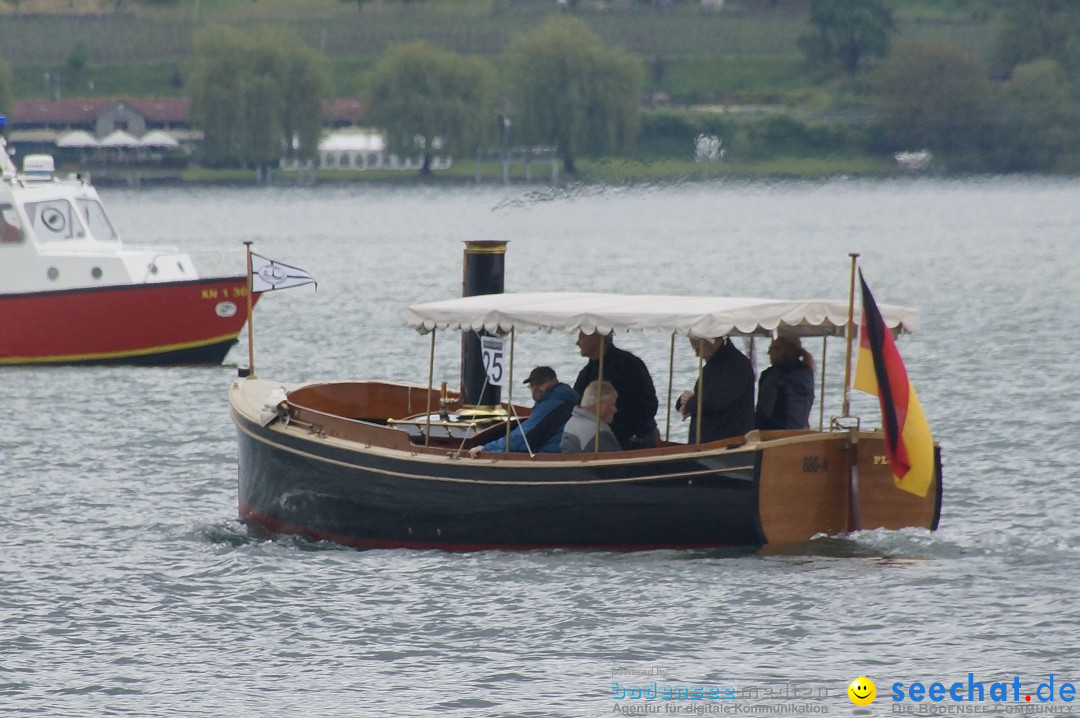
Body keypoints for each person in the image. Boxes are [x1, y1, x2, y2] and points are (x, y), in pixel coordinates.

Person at [573, 332, 658, 450]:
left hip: (633, 440)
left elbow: (648, 403)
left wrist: (634, 432)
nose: (577, 343)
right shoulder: (587, 372)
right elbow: (576, 404)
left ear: (598, 338)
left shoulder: (629, 365)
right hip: (598, 438)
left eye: (581, 338)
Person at [468, 366, 577, 457]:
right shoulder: (565, 397)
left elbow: (523, 436)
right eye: (532, 385)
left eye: (540, 383)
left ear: (553, 381)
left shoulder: (552, 403)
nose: (535, 388)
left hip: (550, 455)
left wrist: (488, 448)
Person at [677, 336, 755, 444]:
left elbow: (714, 401)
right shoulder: (715, 366)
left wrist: (689, 403)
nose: (697, 355)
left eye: (698, 349)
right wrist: (684, 401)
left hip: (727, 444)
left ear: (712, 341)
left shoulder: (735, 366)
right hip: (711, 442)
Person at [755, 336, 815, 430]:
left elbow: (764, 412)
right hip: (800, 432)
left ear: (783, 351)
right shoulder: (807, 373)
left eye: (772, 349)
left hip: (775, 435)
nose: (768, 353)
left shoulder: (773, 375)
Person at [560, 380, 622, 454]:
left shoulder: (572, 421)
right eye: (613, 404)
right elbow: (617, 462)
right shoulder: (600, 433)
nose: (615, 410)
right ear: (600, 406)